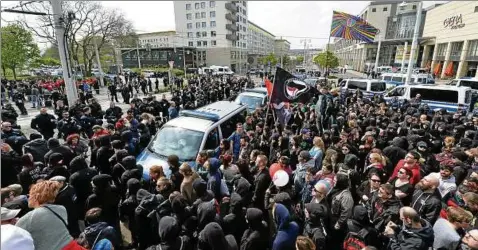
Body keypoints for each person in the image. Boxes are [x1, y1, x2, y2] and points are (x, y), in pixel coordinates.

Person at [15, 181, 79, 250]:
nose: (28, 197)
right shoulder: (61, 209)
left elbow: (14, 238)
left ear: (36, 197)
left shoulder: (29, 217)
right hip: (73, 247)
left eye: (30, 195)